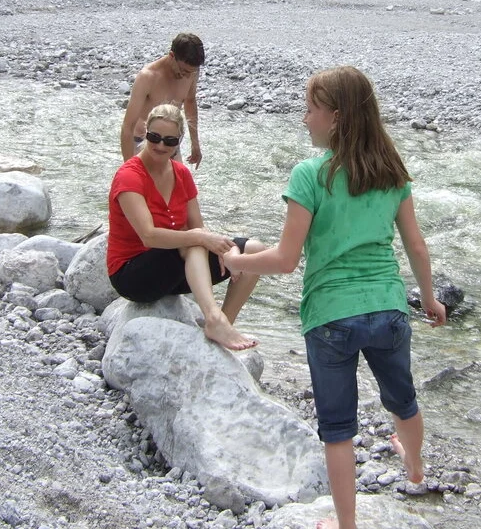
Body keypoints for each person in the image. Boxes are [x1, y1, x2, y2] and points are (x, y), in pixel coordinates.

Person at [223, 66, 448, 529]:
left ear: (338, 117)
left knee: (339, 428)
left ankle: (347, 525)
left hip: (330, 317)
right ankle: (415, 469)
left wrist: (236, 261)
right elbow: (417, 246)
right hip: (388, 308)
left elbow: (285, 260)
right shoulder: (391, 171)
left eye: (311, 110)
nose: (304, 119)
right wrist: (429, 299)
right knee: (402, 399)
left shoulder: (309, 175)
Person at [107, 103, 262, 351]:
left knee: (254, 251)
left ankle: (223, 325)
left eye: (169, 141)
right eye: (154, 137)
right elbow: (148, 236)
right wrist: (202, 239)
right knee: (195, 240)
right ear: (145, 132)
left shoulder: (181, 174)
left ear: (179, 141)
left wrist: (221, 249)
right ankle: (213, 318)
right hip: (133, 274)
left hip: (174, 268)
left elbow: (197, 227)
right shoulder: (129, 175)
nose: (160, 146)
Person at [120, 33, 206, 167]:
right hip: (144, 142)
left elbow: (190, 101)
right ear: (172, 56)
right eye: (184, 71)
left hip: (171, 143)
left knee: (180, 185)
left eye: (192, 72)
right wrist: (128, 167)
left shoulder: (191, 72)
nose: (187, 76)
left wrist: (195, 144)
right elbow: (127, 126)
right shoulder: (147, 77)